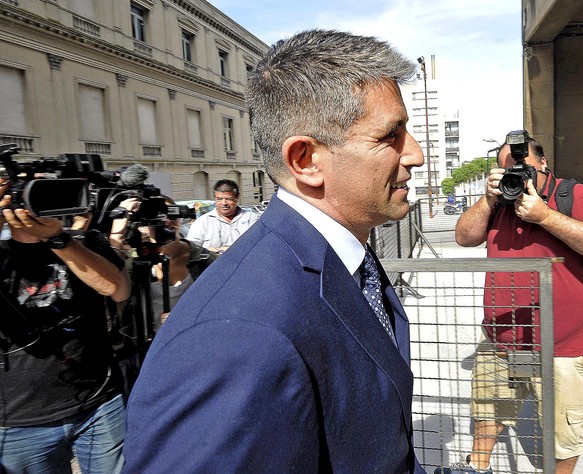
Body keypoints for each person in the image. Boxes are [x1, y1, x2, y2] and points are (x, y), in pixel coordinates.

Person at [123, 29, 427, 472]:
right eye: (390, 135)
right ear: (305, 160)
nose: (415, 154)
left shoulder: (346, 255)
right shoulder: (238, 334)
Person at [447, 133, 583, 474]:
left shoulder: (574, 196)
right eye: (506, 170)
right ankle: (475, 467)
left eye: (522, 167)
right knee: (488, 413)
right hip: (501, 342)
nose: (515, 175)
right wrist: (488, 198)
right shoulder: (499, 204)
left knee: (564, 434)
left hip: (565, 346)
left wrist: (544, 216)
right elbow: (464, 237)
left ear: (543, 164)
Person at [0, 190, 131, 472]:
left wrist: (58, 239)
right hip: (19, 418)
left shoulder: (84, 242)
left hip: (98, 403)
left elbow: (116, 289)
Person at [185, 179, 259, 254]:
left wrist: (225, 250)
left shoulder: (250, 218)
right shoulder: (202, 222)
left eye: (228, 199)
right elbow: (191, 250)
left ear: (237, 198)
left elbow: (258, 244)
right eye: (219, 199)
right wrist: (210, 252)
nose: (224, 203)